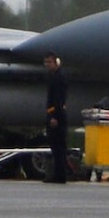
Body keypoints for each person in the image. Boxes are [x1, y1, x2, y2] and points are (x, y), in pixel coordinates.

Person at [42, 53, 69, 184]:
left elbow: (57, 100)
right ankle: (59, 174)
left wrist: (54, 116)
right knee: (56, 146)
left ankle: (60, 175)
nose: (47, 65)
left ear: (56, 62)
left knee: (58, 146)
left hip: (57, 115)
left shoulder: (58, 78)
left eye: (49, 62)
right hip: (56, 113)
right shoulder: (54, 76)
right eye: (46, 62)